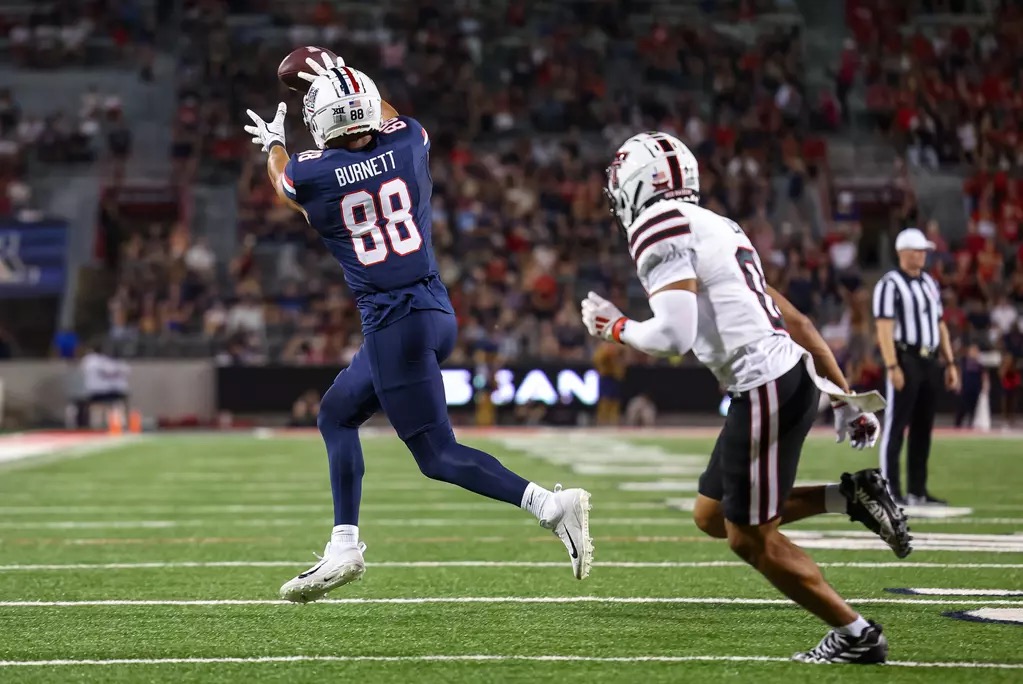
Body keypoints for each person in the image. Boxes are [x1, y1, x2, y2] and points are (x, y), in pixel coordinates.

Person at [242, 59, 592, 603]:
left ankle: (548, 505)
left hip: (392, 325)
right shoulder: (407, 141)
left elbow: (283, 183)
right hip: (434, 310)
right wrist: (341, 72)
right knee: (336, 412)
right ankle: (343, 545)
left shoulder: (314, 175)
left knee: (437, 456)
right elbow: (387, 113)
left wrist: (272, 141)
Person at [581, 132, 911, 664]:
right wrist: (843, 395)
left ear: (640, 182)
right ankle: (850, 496)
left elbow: (673, 338)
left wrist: (613, 326)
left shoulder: (657, 226)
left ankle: (856, 634)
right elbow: (796, 320)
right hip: (789, 379)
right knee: (712, 515)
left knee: (748, 538)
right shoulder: (719, 226)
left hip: (764, 387)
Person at [872, 228, 959, 505]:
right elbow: (884, 328)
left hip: (930, 359)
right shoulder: (889, 284)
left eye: (924, 251)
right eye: (918, 250)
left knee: (923, 427)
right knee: (897, 426)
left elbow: (940, 324)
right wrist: (892, 365)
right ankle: (890, 489)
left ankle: (917, 491)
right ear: (903, 253)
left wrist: (950, 362)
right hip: (905, 357)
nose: (923, 255)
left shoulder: (930, 283)